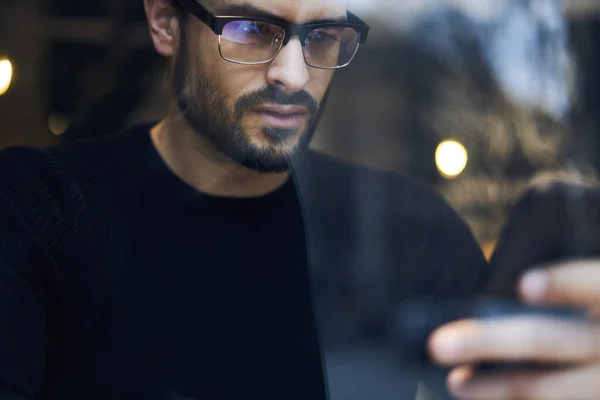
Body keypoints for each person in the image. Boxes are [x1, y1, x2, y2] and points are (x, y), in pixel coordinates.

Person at [0, 1, 598, 400]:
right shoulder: (40, 208)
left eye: (322, 36)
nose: (293, 73)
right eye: (251, 29)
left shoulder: (415, 230)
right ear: (164, 22)